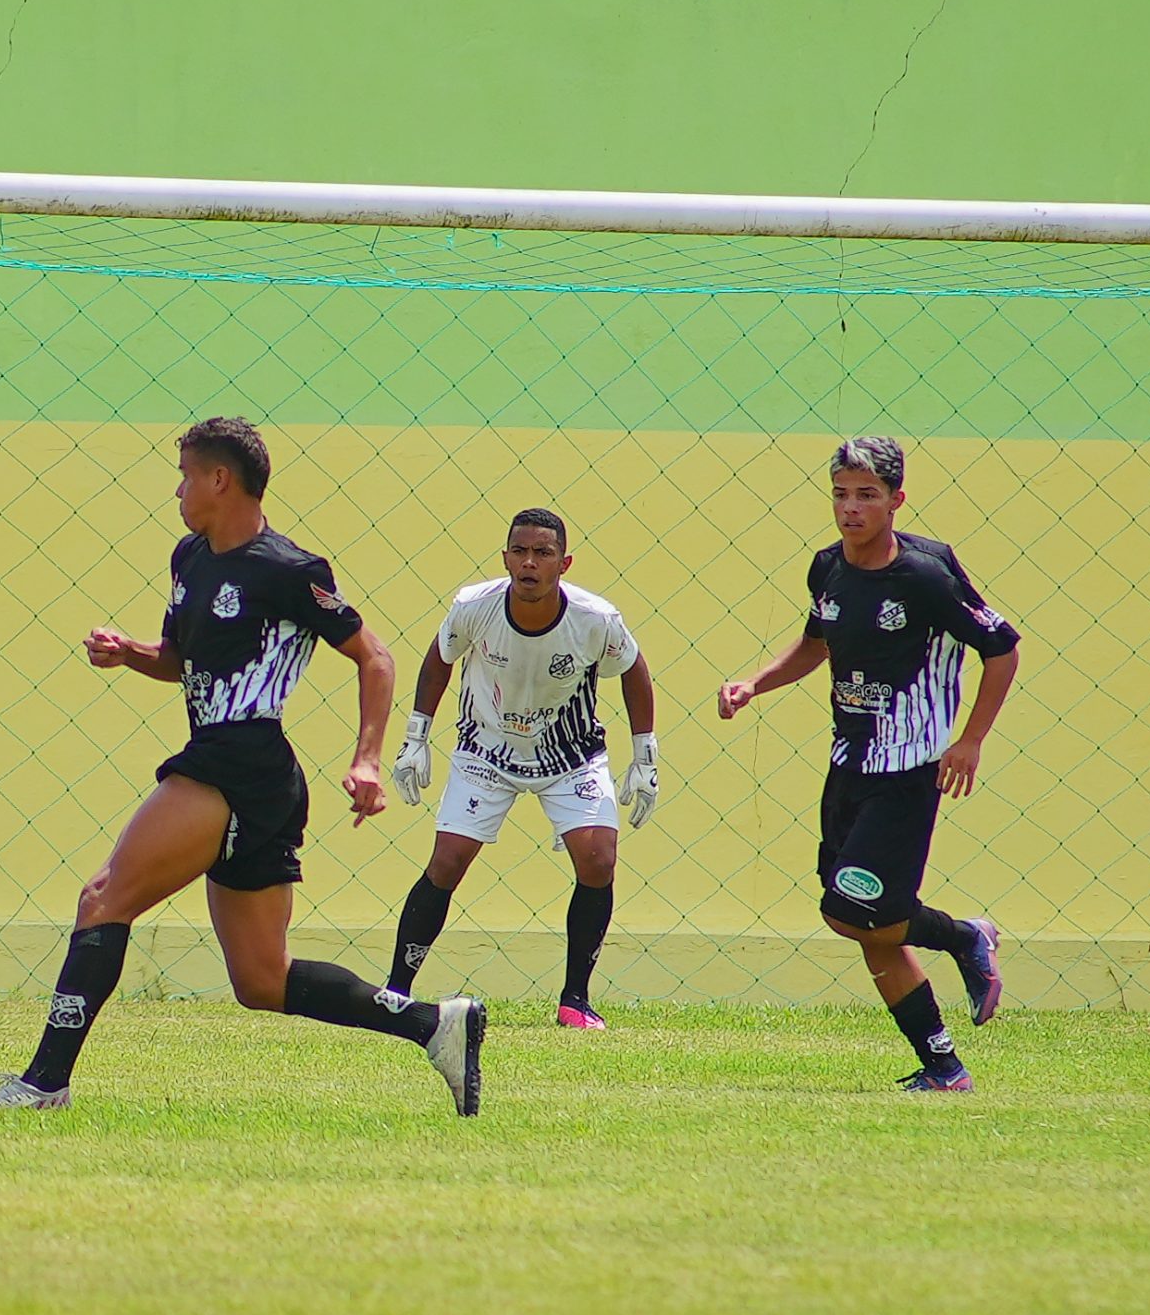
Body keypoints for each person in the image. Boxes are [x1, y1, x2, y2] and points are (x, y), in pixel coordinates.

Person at [0, 417, 488, 1115]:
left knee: (103, 898)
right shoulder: (190, 557)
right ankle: (435, 1024)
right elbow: (181, 660)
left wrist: (368, 759)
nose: (178, 490)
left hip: (240, 760)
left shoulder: (289, 570)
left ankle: (42, 1082)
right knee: (261, 980)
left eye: (185, 475)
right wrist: (129, 652)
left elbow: (376, 657)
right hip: (246, 774)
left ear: (221, 480)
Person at [716, 436, 1020, 1092]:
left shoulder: (925, 577)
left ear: (896, 501)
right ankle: (943, 1065)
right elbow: (815, 643)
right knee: (868, 923)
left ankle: (967, 936)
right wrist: (754, 683)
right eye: (841, 494)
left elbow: (1002, 649)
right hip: (848, 763)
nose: (850, 508)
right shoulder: (827, 567)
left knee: (851, 910)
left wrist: (970, 740)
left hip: (910, 770)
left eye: (867, 495)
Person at [384, 508, 658, 1028]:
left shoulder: (596, 618)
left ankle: (575, 1001)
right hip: (486, 751)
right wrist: (415, 737)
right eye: (520, 551)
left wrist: (644, 755)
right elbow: (439, 659)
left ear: (564, 562)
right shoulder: (474, 606)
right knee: (447, 862)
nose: (529, 563)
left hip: (570, 755)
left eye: (543, 553)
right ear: (505, 556)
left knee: (598, 860)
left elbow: (634, 671)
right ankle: (396, 991)